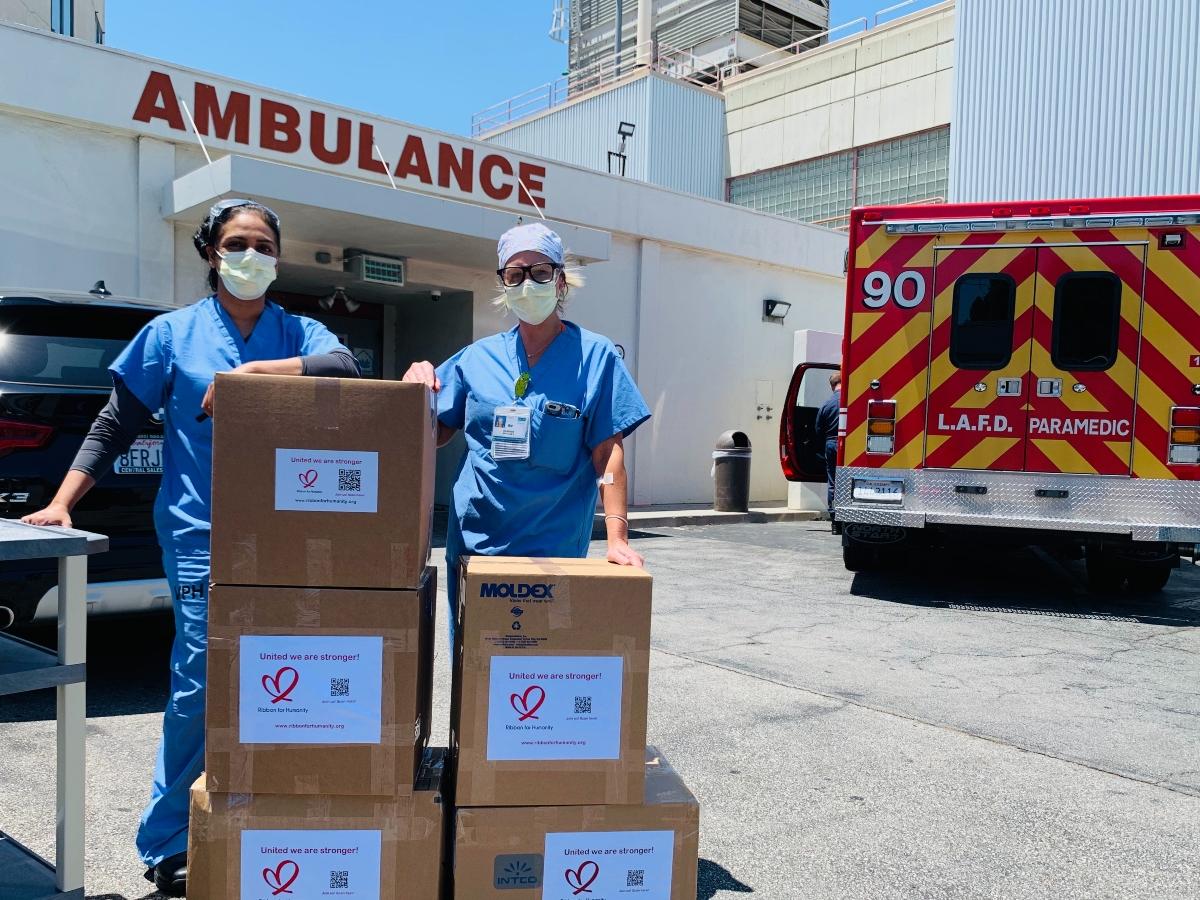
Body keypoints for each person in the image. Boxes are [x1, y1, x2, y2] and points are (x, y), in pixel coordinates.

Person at [22, 199, 359, 896]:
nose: (251, 256)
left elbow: (345, 368)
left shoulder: (297, 331)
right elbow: (116, 425)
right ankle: (169, 836)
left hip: (291, 536)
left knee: (286, 678)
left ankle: (263, 813)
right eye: (237, 243)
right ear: (211, 252)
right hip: (203, 531)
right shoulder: (170, 335)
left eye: (264, 245)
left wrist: (259, 377)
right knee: (202, 680)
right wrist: (61, 502)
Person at [403, 223, 651, 628]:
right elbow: (435, 430)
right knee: (475, 671)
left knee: (537, 667)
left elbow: (608, 455)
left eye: (540, 272)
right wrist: (417, 387)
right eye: (515, 275)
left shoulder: (596, 357)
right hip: (476, 543)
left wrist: (618, 539)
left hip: (552, 550)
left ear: (561, 282)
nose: (527, 284)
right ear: (503, 284)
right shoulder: (477, 358)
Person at [815, 371, 841, 516]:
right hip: (849, 444)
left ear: (832, 386)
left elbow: (818, 429)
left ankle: (833, 516)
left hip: (831, 443)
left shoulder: (826, 405)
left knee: (833, 481)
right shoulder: (853, 401)